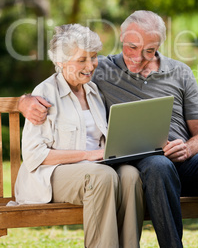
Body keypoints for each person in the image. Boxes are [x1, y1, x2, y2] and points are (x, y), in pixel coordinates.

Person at [18, 11, 198, 248]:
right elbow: (64, 75)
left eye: (149, 50)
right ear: (122, 40)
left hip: (184, 161)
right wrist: (24, 101)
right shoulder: (101, 69)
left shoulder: (181, 72)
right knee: (159, 166)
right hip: (147, 164)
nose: (138, 57)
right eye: (131, 48)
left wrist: (188, 148)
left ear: (159, 45)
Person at [15, 24, 144, 248]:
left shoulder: (93, 92)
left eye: (93, 57)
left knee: (131, 175)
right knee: (101, 176)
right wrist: (89, 154)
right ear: (61, 62)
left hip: (97, 168)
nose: (91, 65)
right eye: (81, 59)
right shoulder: (45, 93)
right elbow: (34, 155)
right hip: (52, 176)